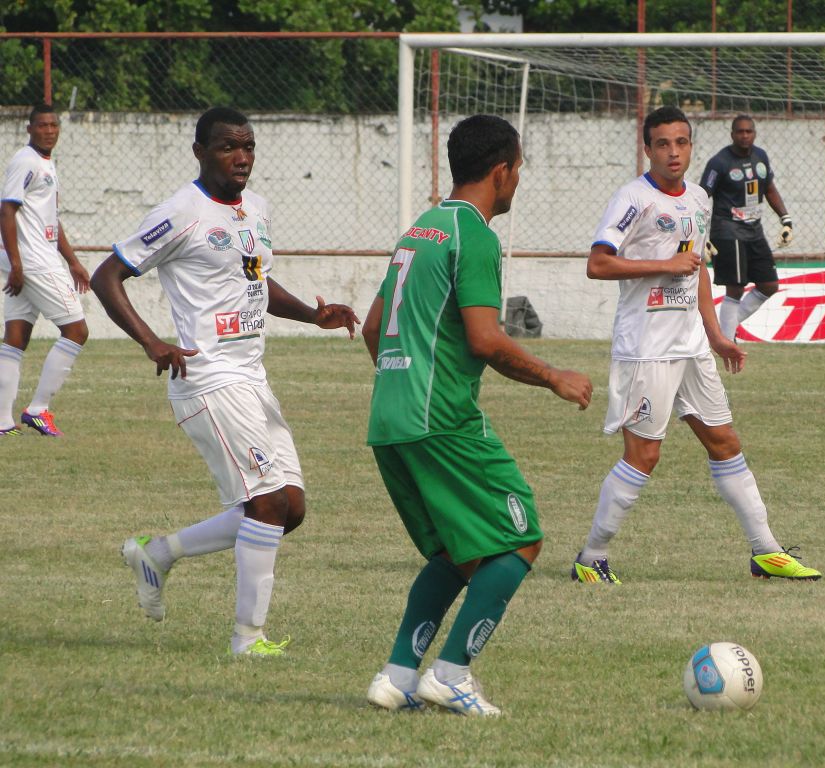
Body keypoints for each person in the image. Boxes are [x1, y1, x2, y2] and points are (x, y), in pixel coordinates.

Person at [91, 107, 360, 656]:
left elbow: (254, 279)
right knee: (266, 504)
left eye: (249, 147)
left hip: (251, 376)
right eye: (228, 148)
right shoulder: (180, 212)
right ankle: (247, 639)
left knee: (292, 507)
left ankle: (158, 553)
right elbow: (106, 275)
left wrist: (313, 316)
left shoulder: (255, 209)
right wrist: (152, 341)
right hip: (208, 377)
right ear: (200, 151)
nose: (242, 158)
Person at [362, 114, 593, 716]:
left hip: (389, 418)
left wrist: (403, 381)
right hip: (441, 419)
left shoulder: (421, 229)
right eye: (518, 170)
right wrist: (555, 378)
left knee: (460, 553)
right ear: (501, 171)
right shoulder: (476, 236)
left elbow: (371, 327)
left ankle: (396, 677)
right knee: (520, 539)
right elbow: (487, 341)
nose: (519, 181)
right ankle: (452, 671)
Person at [571, 106, 819, 585]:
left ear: (690, 146)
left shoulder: (702, 199)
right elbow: (598, 264)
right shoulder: (632, 198)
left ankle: (765, 550)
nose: (673, 152)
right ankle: (591, 557)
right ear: (648, 149)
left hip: (690, 347)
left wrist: (716, 334)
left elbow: (697, 269)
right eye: (662, 144)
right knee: (644, 455)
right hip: (647, 348)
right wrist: (662, 266)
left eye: (681, 142)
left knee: (725, 442)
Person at [0, 103, 90, 437]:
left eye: (54, 125)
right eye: (42, 125)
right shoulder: (25, 161)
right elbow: (6, 212)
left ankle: (2, 421)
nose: (49, 131)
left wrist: (74, 261)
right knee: (77, 331)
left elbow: (50, 219)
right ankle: (38, 409)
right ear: (29, 129)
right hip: (34, 263)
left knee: (15, 338)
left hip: (34, 261)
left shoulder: (45, 164)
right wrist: (18, 264)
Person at [699, 114, 793, 341]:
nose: (744, 135)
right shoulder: (719, 163)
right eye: (739, 132)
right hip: (727, 231)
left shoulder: (761, 157)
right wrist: (701, 235)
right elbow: (701, 197)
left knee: (769, 284)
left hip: (754, 230)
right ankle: (727, 342)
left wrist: (785, 219)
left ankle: (723, 330)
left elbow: (769, 188)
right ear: (732, 135)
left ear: (754, 133)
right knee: (736, 288)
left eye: (748, 131)